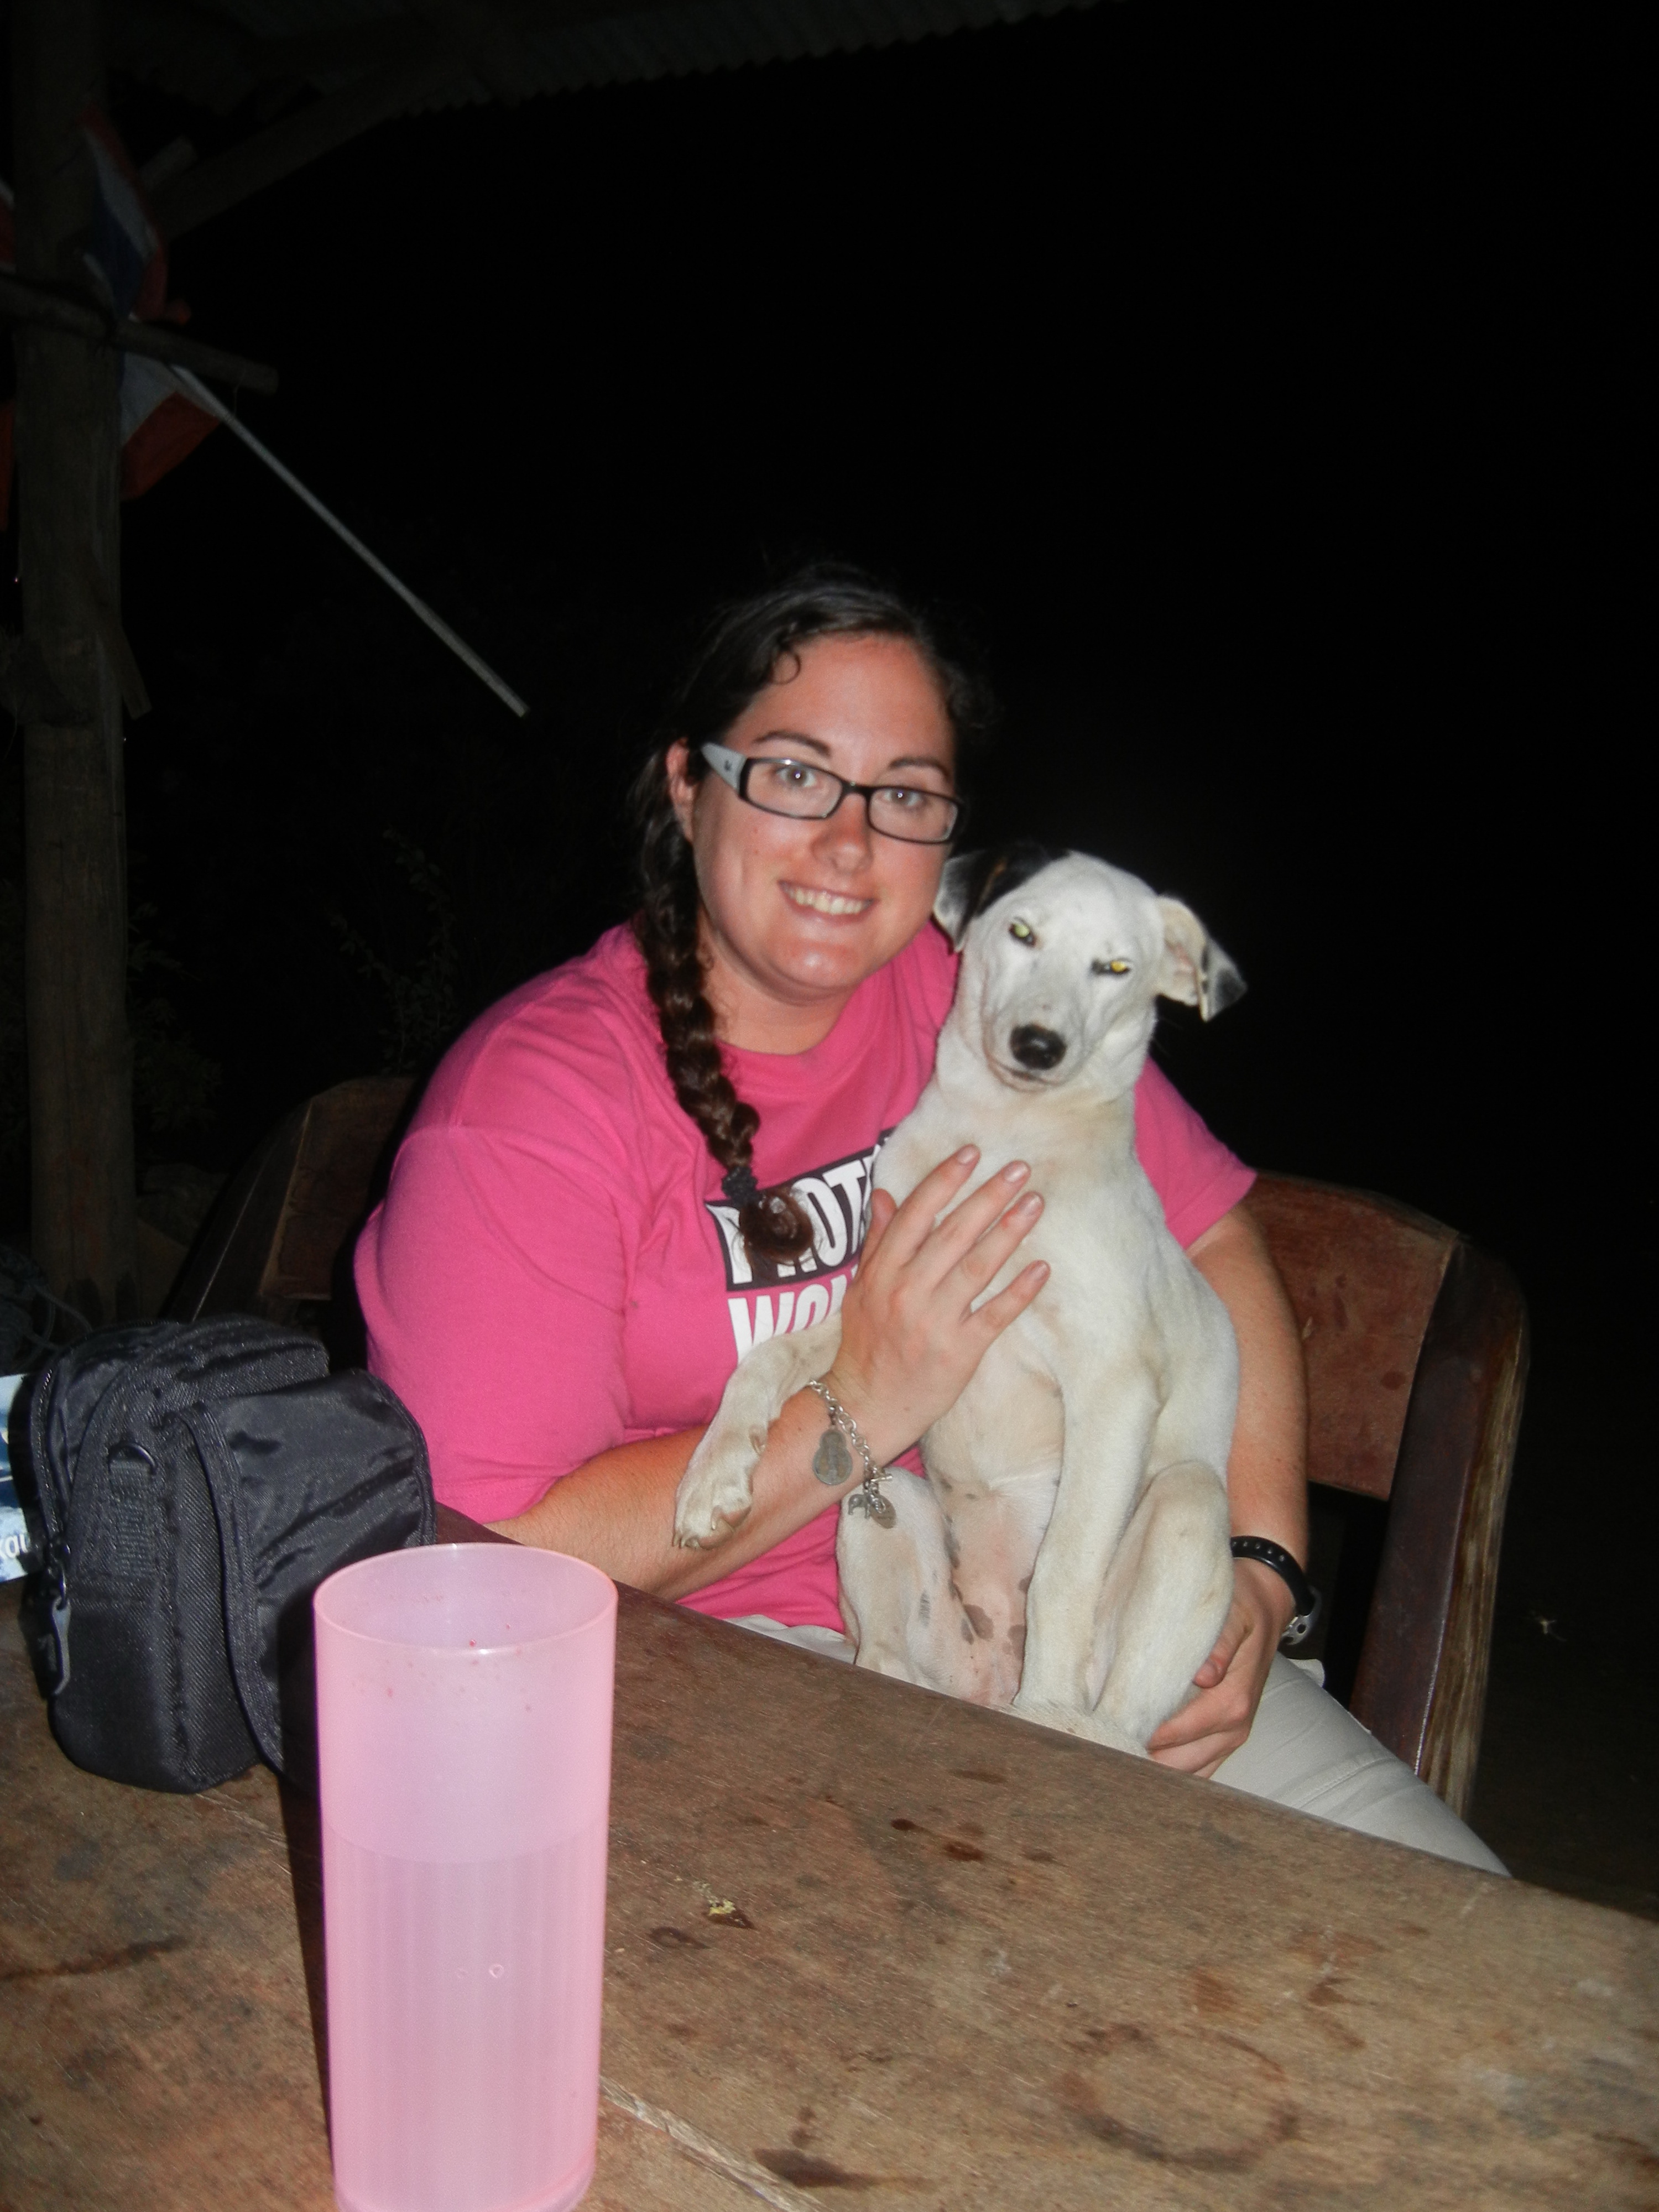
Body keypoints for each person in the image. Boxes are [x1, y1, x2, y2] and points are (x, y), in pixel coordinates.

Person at [357, 568, 1503, 1873]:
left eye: (902, 793)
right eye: (793, 773)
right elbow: (493, 1551)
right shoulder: (536, 1107)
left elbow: (1216, 1239)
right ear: (687, 785)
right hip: (725, 1666)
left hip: (1103, 1618)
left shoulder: (974, 990)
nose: (849, 843)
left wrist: (1257, 1564)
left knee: (1470, 1937)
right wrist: (857, 1407)